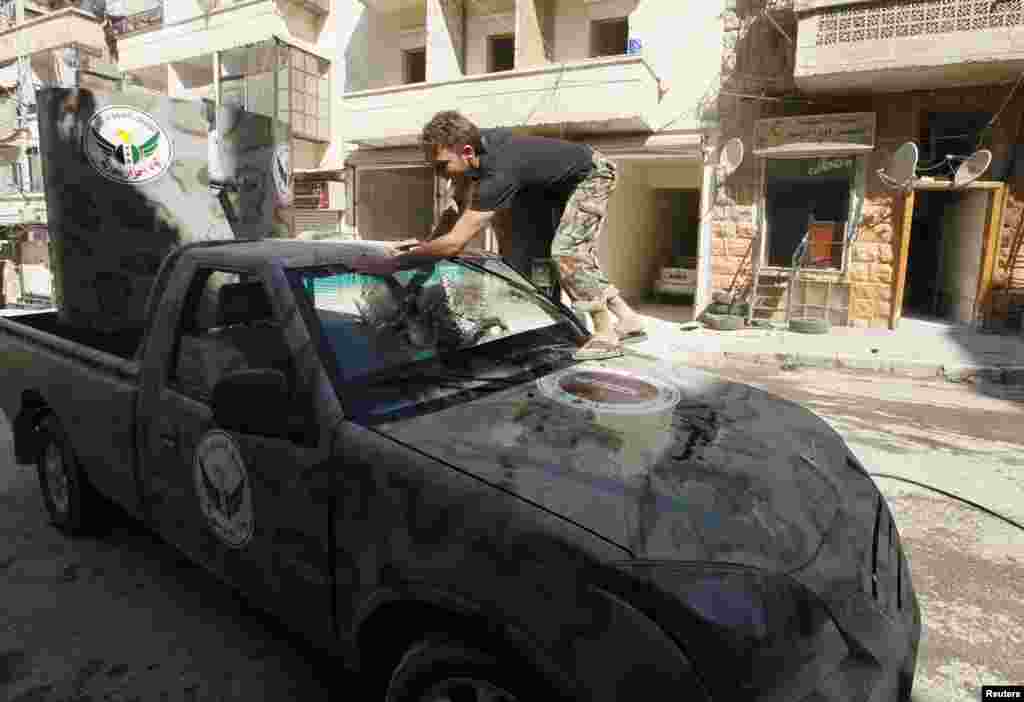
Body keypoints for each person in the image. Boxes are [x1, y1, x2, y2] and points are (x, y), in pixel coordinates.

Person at [352, 110, 647, 360]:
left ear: (466, 154)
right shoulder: (473, 155)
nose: (441, 174)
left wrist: (394, 264)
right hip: (554, 186)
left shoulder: (500, 172)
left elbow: (455, 242)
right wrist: (427, 245)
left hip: (591, 174)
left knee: (568, 252)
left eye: (442, 166)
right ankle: (629, 319)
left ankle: (605, 334)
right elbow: (454, 213)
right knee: (546, 254)